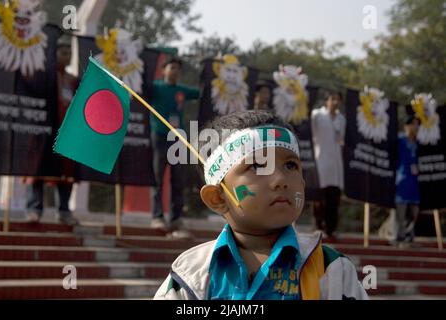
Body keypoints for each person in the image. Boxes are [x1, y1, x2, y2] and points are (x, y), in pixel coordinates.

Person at [154, 110, 368, 300]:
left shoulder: (332, 269)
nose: (281, 179)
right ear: (217, 198)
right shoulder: (189, 275)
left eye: (290, 165)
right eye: (257, 166)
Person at [25, 36, 79, 226]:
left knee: (67, 175)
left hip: (67, 135)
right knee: (37, 171)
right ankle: (34, 209)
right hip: (44, 134)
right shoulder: (42, 76)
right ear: (53, 55)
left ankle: (64, 212)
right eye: (64, 53)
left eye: (70, 53)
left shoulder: (73, 80)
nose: (68, 56)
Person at [149, 57, 200, 236]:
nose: (175, 71)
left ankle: (176, 218)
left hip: (178, 138)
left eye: (178, 68)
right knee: (157, 179)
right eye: (172, 68)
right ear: (164, 71)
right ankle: (157, 216)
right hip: (159, 136)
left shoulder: (182, 90)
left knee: (178, 180)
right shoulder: (155, 87)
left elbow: (202, 92)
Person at [311, 91, 346, 240]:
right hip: (321, 161)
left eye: (338, 99)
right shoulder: (317, 115)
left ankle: (332, 229)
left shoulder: (341, 119)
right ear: (326, 101)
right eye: (333, 99)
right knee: (319, 198)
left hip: (336, 164)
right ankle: (318, 227)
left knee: (334, 199)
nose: (335, 102)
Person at [393, 115, 421, 247]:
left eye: (417, 124)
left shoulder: (418, 143)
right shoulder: (400, 140)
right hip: (402, 181)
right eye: (413, 124)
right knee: (401, 211)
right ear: (406, 126)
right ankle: (399, 237)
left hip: (414, 183)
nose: (415, 127)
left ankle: (410, 236)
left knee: (413, 211)